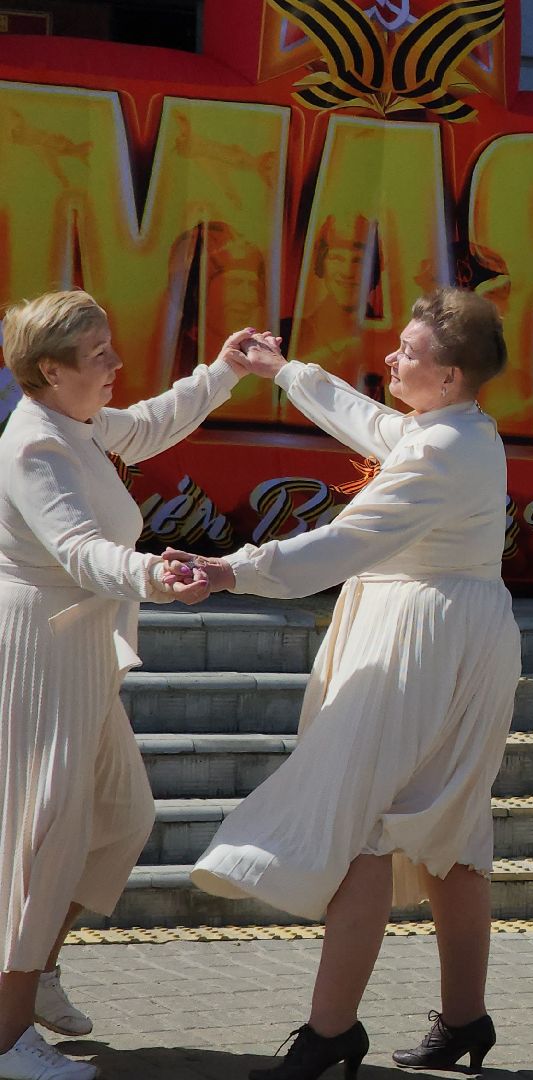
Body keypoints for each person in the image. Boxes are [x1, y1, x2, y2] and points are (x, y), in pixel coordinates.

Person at [172, 289, 519, 1080]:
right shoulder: (461, 430)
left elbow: (346, 541)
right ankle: (465, 1018)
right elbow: (373, 423)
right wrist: (287, 372)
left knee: (366, 826)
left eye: (409, 351)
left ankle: (331, 1032)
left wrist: (230, 570)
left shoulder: (441, 450)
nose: (392, 357)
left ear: (450, 375)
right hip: (461, 631)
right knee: (454, 832)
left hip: (423, 639)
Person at [0, 290, 249, 1080]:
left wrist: (223, 371)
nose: (116, 362)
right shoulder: (34, 444)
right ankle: (7, 1038)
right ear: (51, 371)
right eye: (98, 353)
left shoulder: (77, 425)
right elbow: (79, 551)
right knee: (44, 837)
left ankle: (36, 967)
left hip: (81, 649)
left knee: (120, 818)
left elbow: (147, 425)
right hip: (43, 649)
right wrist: (156, 575)